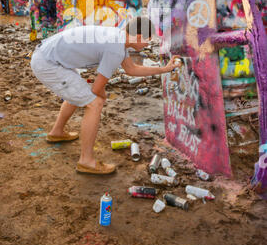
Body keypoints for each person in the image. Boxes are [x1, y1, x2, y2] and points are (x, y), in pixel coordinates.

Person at [31, 16, 180, 175]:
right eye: (147, 40)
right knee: (94, 103)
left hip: (49, 56)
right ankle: (86, 161)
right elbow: (97, 89)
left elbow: (131, 69)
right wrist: (102, 96)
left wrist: (163, 70)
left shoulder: (118, 38)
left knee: (78, 92)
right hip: (48, 64)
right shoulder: (115, 48)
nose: (147, 44)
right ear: (138, 36)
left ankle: (57, 133)